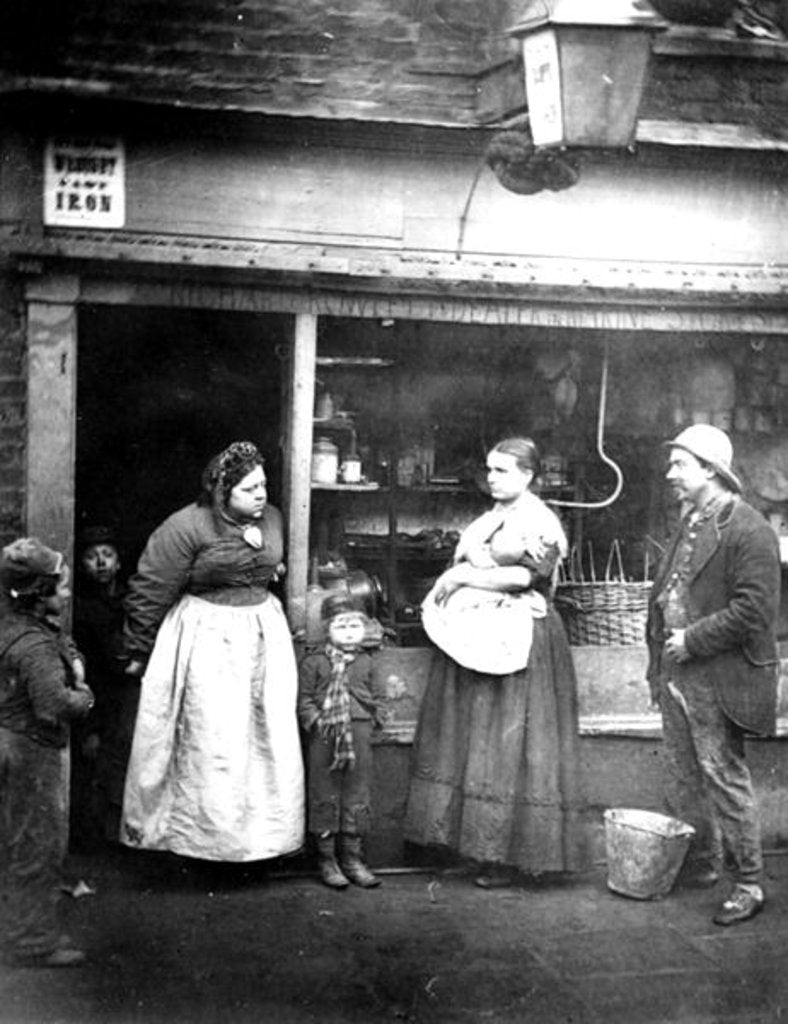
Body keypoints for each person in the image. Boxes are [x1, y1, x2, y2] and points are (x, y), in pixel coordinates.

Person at [404, 437, 587, 887]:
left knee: (510, 744)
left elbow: (528, 576)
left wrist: (462, 575)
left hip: (522, 635)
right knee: (476, 739)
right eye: (489, 469)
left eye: (503, 470)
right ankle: (473, 849)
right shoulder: (491, 517)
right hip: (479, 634)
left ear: (529, 475)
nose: (492, 478)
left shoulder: (540, 521)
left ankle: (507, 858)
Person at [121, 441, 304, 862]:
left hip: (262, 638)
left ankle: (258, 845)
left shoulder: (274, 517)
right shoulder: (186, 526)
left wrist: (269, 567)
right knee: (212, 742)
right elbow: (151, 588)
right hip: (207, 640)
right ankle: (200, 846)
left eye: (263, 485)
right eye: (249, 489)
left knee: (262, 741)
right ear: (222, 491)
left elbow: (274, 561)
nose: (261, 495)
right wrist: (138, 648)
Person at [646, 424, 780, 926]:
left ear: (710, 469)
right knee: (684, 775)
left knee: (723, 776)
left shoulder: (749, 528)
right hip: (678, 671)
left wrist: (692, 640)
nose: (670, 473)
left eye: (680, 464)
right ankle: (702, 862)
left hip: (719, 676)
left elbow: (754, 611)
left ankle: (749, 883)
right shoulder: (692, 520)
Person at [0, 538, 94, 967]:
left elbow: (57, 642)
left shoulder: (14, 626)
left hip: (11, 740)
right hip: (30, 751)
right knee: (36, 845)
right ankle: (32, 942)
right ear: (40, 594)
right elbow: (53, 705)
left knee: (14, 839)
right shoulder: (35, 647)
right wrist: (84, 697)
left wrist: (69, 654)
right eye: (62, 587)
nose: (68, 593)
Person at [297, 592, 387, 889]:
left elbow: (378, 697)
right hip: (325, 734)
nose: (349, 633)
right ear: (327, 630)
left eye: (354, 626)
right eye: (341, 626)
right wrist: (316, 720)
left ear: (364, 630)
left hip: (359, 732)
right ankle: (327, 860)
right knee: (324, 790)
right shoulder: (315, 662)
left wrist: (376, 718)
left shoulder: (368, 662)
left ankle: (352, 859)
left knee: (357, 791)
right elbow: (304, 699)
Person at [71, 525, 135, 849]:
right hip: (97, 694)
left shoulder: (131, 601)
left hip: (126, 695)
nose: (100, 563)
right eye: (91, 556)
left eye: (107, 555)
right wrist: (90, 726)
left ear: (119, 562)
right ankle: (92, 840)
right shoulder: (79, 609)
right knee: (93, 764)